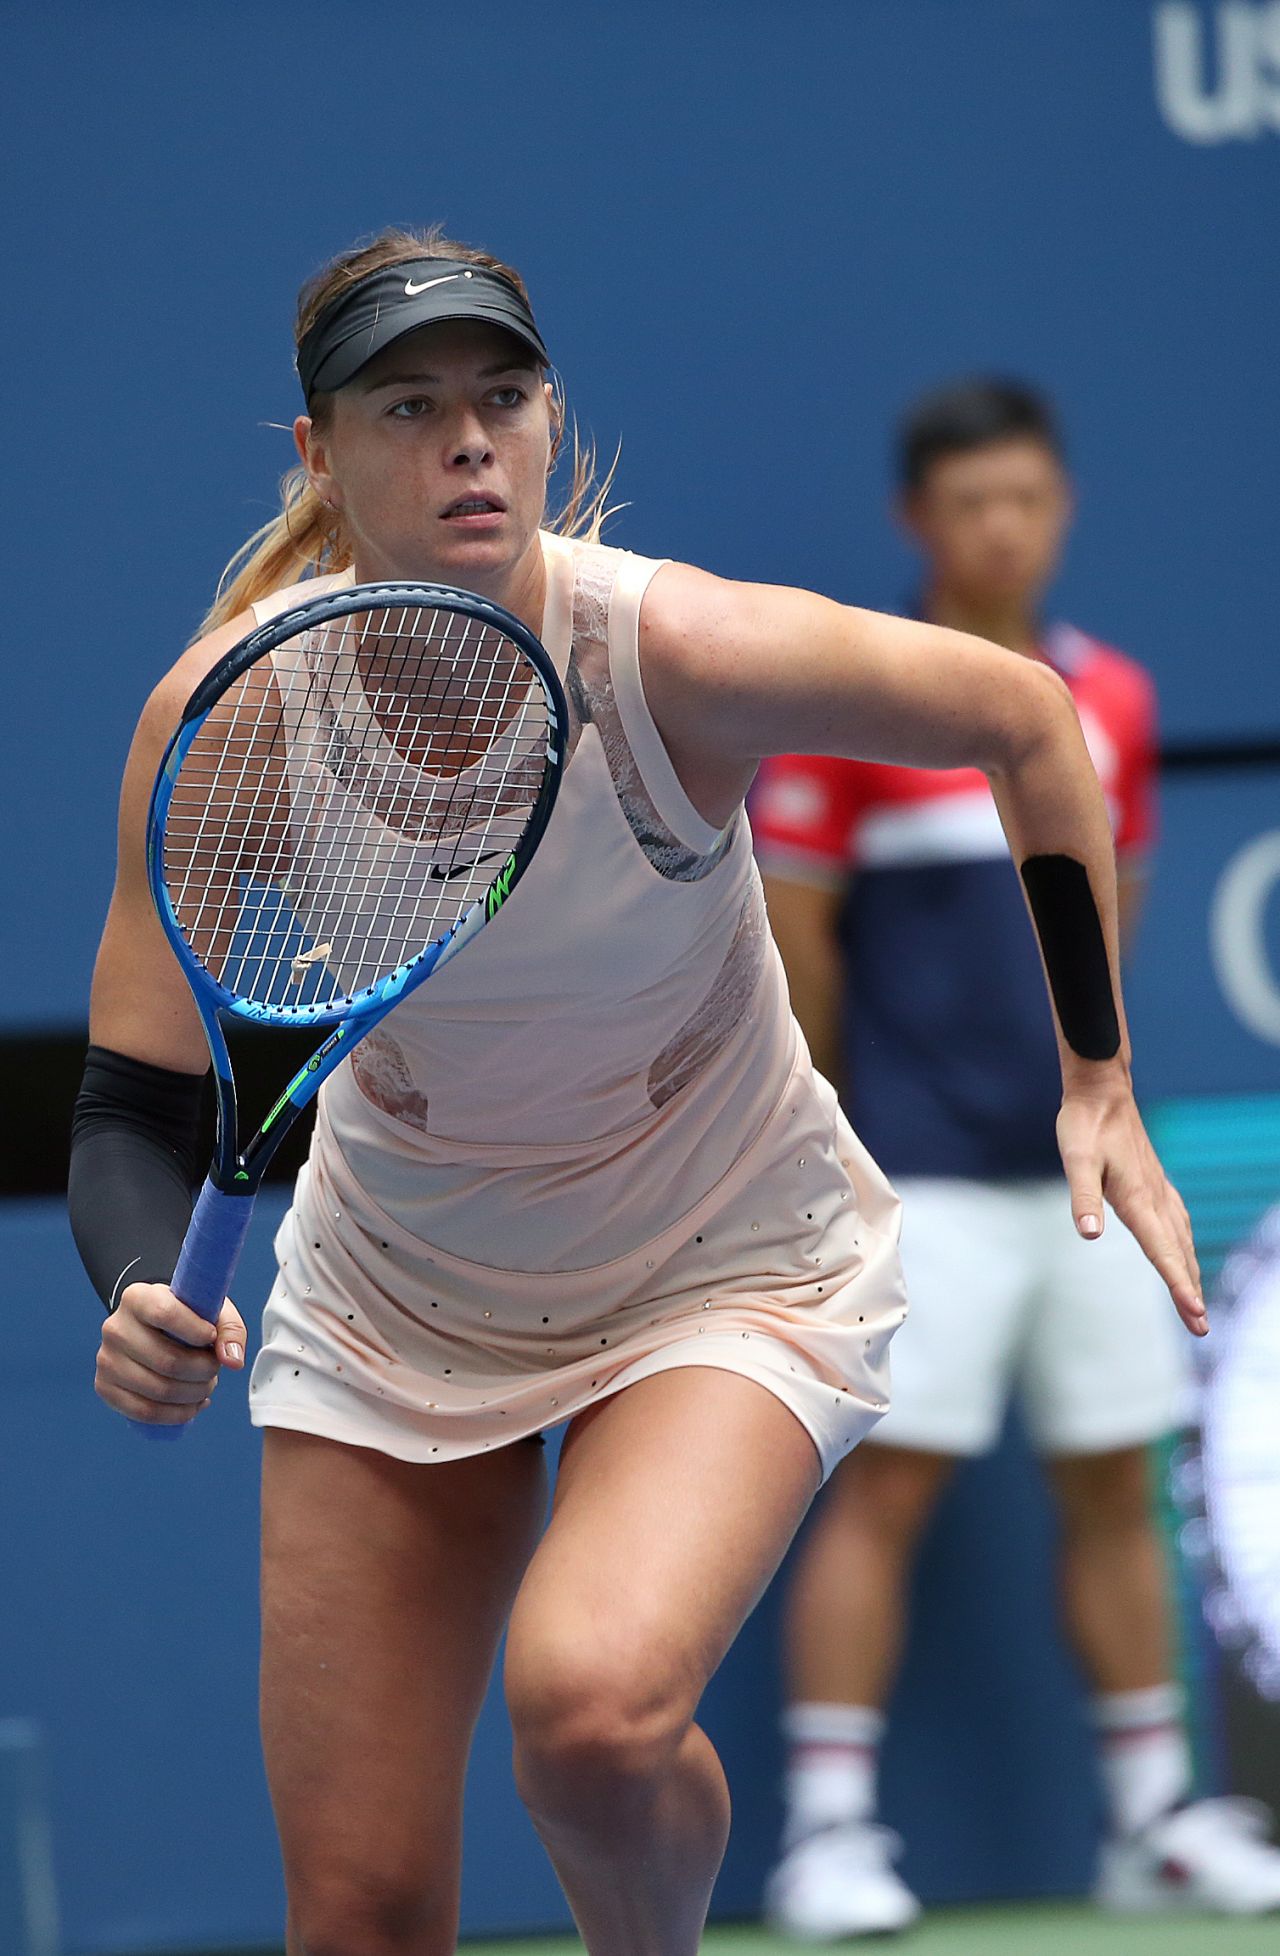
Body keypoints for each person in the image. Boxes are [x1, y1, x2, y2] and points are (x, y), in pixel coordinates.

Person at [68, 240, 1203, 1956]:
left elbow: (1030, 722)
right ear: (318, 454)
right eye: (410, 406)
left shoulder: (676, 650)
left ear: (546, 419)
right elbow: (134, 1106)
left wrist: (1099, 1073)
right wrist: (143, 1278)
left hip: (721, 1255)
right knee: (359, 1912)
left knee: (592, 1719)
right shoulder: (234, 712)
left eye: (502, 399)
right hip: (398, 1294)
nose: (469, 442)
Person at [752, 377, 1280, 1937]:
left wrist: (1099, 1113)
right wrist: (838, 1152)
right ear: (921, 523)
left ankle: (1149, 1822)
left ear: (1060, 508)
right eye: (971, 502)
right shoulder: (857, 698)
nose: (1003, 528)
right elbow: (796, 950)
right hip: (913, 1177)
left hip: (1089, 1181)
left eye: (1028, 498)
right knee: (888, 1488)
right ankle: (830, 1835)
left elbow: (1103, 918)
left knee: (1116, 1479)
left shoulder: (1109, 699)